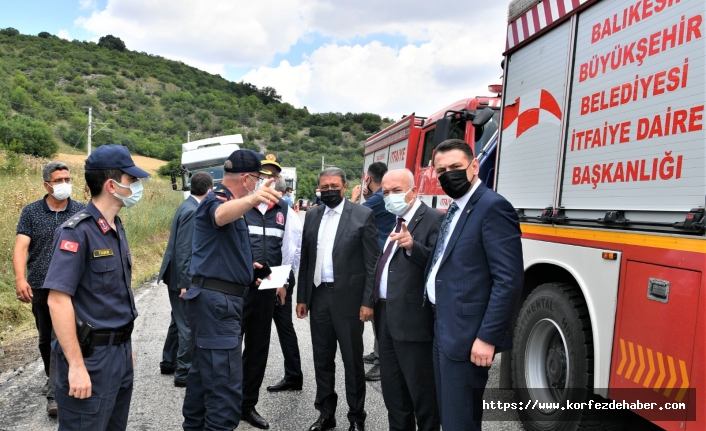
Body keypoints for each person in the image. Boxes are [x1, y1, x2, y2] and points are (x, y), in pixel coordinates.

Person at [44, 145, 149, 430]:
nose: (136, 186)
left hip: (119, 353)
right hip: (90, 358)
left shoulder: (116, 227)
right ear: (111, 185)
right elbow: (57, 301)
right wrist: (76, 366)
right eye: (132, 180)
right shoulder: (77, 232)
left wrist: (123, 346)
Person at [426, 139, 524, 430]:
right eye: (441, 170)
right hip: (443, 328)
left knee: (461, 422)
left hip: (468, 338)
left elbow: (508, 280)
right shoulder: (455, 209)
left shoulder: (493, 207)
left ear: (474, 166)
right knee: (450, 417)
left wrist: (487, 338)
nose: (448, 175)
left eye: (455, 167)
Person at [181, 149, 281, 431]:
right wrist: (252, 199)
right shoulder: (220, 200)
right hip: (217, 304)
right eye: (259, 179)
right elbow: (219, 215)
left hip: (219, 300)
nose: (261, 184)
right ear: (248, 178)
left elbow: (222, 250)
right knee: (225, 392)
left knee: (202, 380)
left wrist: (251, 268)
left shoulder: (234, 204)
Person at [297, 167, 380, 431]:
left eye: (334, 186)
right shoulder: (311, 216)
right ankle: (326, 415)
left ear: (345, 187)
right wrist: (303, 297)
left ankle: (357, 418)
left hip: (349, 299)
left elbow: (372, 263)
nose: (329, 191)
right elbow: (306, 259)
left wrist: (368, 301)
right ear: (318, 189)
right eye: (324, 187)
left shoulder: (363, 215)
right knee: (322, 359)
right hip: (319, 296)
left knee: (352, 362)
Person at [13, 161, 86, 416]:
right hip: (41, 284)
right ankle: (52, 377)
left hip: (72, 286)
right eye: (59, 180)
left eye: (68, 179)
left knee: (61, 337)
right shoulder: (31, 212)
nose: (65, 184)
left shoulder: (81, 210)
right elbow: (21, 247)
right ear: (46, 184)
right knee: (46, 339)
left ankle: (56, 394)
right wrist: (21, 279)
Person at [374, 169, 443, 431]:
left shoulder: (433, 220)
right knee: (394, 394)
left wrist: (414, 246)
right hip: (387, 319)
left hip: (414, 323)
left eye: (397, 191)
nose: (391, 197)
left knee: (422, 395)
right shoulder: (395, 220)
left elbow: (439, 266)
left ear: (414, 191)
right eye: (386, 193)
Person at [240, 154, 298, 429]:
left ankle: (246, 405)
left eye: (271, 176)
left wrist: (282, 284)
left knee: (257, 348)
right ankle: (220, 402)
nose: (267, 179)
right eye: (262, 175)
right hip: (236, 288)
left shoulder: (283, 208)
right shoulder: (238, 204)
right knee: (226, 348)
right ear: (251, 177)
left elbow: (287, 249)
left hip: (266, 286)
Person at [158, 171, 213, 387]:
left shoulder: (188, 205)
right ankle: (183, 373)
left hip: (176, 276)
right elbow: (184, 251)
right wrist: (185, 284)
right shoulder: (193, 211)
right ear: (209, 191)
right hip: (181, 278)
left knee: (177, 320)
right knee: (187, 325)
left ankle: (168, 362)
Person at [350, 161, 396, 381]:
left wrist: (353, 197)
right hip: (381, 255)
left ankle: (381, 360)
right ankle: (378, 353)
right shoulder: (378, 198)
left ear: (368, 178)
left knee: (379, 310)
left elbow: (351, 216)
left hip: (379, 257)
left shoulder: (377, 199)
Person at [267, 165, 304, 394]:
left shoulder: (284, 213)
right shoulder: (284, 211)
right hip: (280, 273)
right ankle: (293, 374)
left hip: (278, 274)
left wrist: (282, 281)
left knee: (281, 327)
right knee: (282, 327)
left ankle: (293, 375)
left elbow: (289, 250)